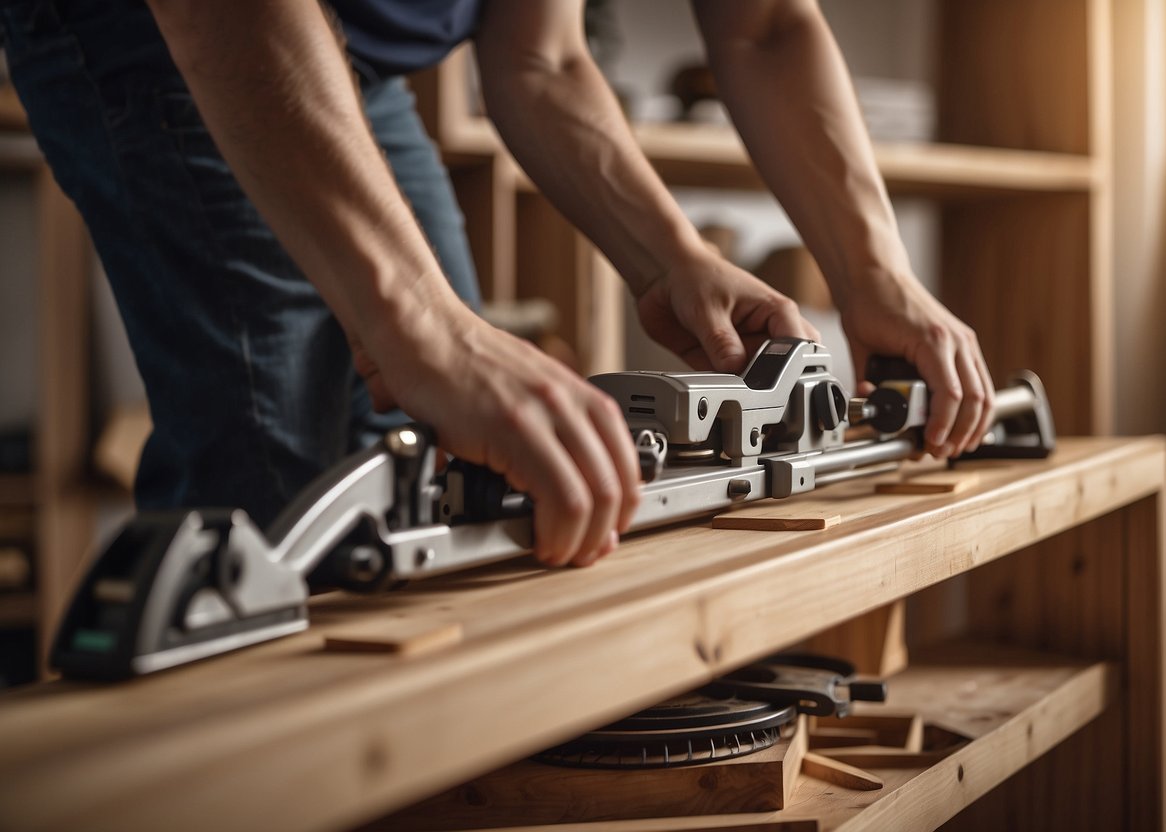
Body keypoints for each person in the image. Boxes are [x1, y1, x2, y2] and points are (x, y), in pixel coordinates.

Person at [0, 0, 993, 570]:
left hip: (353, 52)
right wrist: (423, 325)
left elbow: (546, 55)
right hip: (169, 21)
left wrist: (694, 258)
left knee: (452, 490)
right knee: (286, 508)